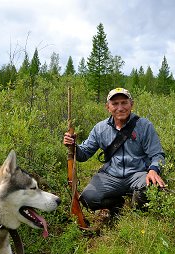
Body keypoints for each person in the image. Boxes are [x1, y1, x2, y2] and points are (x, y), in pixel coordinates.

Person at [63, 87, 165, 217]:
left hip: (138, 174)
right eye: (115, 104)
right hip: (110, 175)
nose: (120, 107)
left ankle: (137, 214)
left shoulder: (144, 126)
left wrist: (153, 170)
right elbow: (83, 155)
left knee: (151, 188)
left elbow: (157, 154)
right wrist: (73, 146)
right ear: (108, 107)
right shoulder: (100, 128)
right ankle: (117, 205)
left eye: (124, 102)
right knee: (88, 198)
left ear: (131, 104)